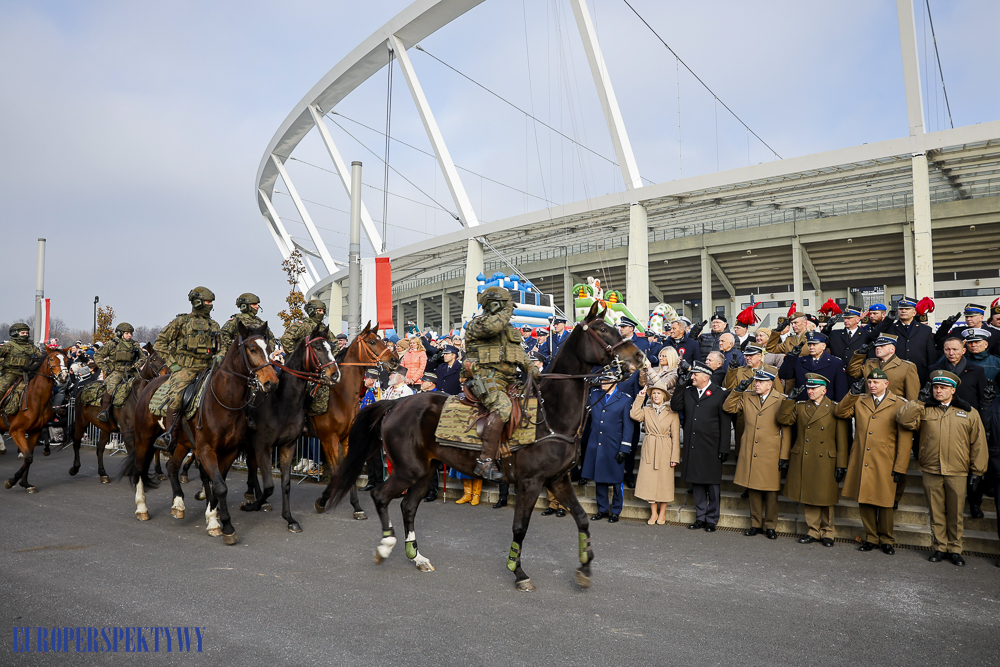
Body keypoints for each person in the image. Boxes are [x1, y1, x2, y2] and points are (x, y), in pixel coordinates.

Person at [897, 370, 988, 566]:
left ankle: (955, 549)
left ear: (953, 390)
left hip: (957, 470)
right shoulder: (925, 409)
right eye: (936, 387)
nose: (938, 391)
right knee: (936, 512)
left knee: (955, 513)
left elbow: (978, 443)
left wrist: (978, 471)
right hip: (931, 468)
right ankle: (939, 547)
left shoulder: (969, 412)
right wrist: (918, 401)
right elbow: (903, 420)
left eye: (943, 388)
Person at [834, 368, 913, 554]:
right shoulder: (860, 400)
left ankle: (886, 539)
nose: (871, 385)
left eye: (876, 382)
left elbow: (905, 438)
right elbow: (840, 412)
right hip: (862, 457)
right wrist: (852, 393)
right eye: (869, 382)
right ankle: (871, 537)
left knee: (885, 502)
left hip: (886, 459)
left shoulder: (899, 403)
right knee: (865, 499)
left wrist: (901, 466)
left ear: (886, 384)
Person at [465, 286, 538, 481]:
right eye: (506, 305)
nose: (510, 309)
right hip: (486, 377)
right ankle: (485, 461)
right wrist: (507, 310)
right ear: (495, 305)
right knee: (503, 407)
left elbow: (521, 356)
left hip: (510, 380)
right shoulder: (477, 325)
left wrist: (534, 370)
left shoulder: (510, 331)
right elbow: (493, 327)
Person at [776, 374, 849, 547]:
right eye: (809, 388)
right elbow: (783, 419)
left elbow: (842, 439)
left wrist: (841, 463)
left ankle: (828, 532)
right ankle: (813, 530)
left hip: (827, 458)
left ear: (824, 390)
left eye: (814, 388)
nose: (810, 391)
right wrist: (790, 400)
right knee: (809, 494)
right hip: (805, 456)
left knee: (826, 497)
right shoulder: (801, 406)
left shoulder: (835, 408)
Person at [150, 287, 221, 452]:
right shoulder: (181, 322)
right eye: (208, 302)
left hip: (209, 368)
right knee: (176, 397)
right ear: (197, 302)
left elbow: (221, 347)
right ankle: (169, 435)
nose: (210, 305)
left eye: (211, 302)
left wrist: (221, 356)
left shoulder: (214, 324)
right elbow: (160, 344)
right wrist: (173, 365)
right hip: (186, 369)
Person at [724, 365, 789, 539]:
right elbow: (729, 407)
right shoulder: (747, 396)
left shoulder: (781, 399)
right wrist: (738, 390)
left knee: (771, 491)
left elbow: (787, 429)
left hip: (771, 451)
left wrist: (784, 455)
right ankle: (755, 524)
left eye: (760, 381)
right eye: (756, 381)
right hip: (750, 448)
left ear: (770, 383)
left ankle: (770, 525)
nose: (756, 384)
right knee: (752, 489)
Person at [671, 361, 732, 532]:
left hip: (712, 446)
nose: (692, 377)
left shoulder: (720, 394)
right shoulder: (689, 391)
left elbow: (725, 424)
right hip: (694, 445)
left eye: (695, 375)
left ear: (705, 377)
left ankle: (711, 519)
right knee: (697, 483)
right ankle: (700, 517)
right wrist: (680, 385)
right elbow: (675, 406)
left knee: (712, 485)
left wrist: (724, 448)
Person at [582, 372, 634, 523]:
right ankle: (602, 509)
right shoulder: (595, 395)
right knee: (600, 479)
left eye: (606, 380)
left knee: (617, 480)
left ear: (615, 382)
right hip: (597, 444)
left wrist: (625, 448)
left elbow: (628, 426)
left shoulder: (624, 399)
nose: (602, 382)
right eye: (602, 380)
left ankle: (616, 511)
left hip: (614, 445)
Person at [630, 379, 680, 525]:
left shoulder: (672, 413)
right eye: (654, 394)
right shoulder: (647, 410)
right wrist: (640, 397)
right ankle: (653, 513)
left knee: (665, 483)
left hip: (665, 448)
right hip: (650, 447)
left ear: (664, 396)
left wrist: (674, 457)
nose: (656, 396)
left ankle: (662, 514)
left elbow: (676, 437)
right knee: (650, 482)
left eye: (659, 393)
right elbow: (634, 415)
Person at [281, 299, 337, 414]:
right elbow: (286, 339)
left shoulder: (323, 328)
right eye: (319, 311)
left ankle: (314, 415)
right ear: (311, 311)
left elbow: (334, 344)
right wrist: (295, 357)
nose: (322, 314)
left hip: (317, 369)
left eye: (323, 311)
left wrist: (330, 360)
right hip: (298, 369)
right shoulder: (302, 325)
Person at [778, 331, 848, 401]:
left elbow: (840, 390)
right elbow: (784, 375)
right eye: (809, 345)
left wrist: (837, 408)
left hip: (826, 406)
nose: (811, 347)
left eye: (815, 344)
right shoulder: (800, 361)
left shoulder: (835, 363)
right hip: (803, 405)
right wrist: (792, 356)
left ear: (823, 346)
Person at [94, 322, 142, 422]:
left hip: (132, 371)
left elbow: (143, 357)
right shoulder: (112, 344)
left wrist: (137, 365)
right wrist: (105, 368)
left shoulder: (135, 344)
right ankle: (104, 411)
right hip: (118, 371)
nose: (130, 335)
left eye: (131, 333)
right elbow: (98, 355)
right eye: (127, 333)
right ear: (120, 334)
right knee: (111, 387)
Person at [884, 296, 937, 384]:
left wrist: (930, 376)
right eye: (901, 309)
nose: (903, 311)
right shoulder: (890, 329)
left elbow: (931, 355)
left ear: (914, 312)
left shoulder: (925, 330)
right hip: (896, 373)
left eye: (907, 309)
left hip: (920, 373)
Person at [928, 336, 986, 410]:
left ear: (964, 351)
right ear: (943, 350)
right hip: (940, 414)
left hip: (968, 414)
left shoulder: (977, 371)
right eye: (947, 349)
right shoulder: (933, 370)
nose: (951, 353)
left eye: (955, 349)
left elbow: (982, 398)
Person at [0, 323, 43, 408]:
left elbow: (41, 360)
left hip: (27, 374)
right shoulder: (8, 346)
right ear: (15, 333)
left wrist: (35, 360)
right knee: (2, 389)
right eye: (23, 333)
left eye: (27, 333)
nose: (25, 335)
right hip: (11, 373)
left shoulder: (32, 347)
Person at [826, 307, 874, 381]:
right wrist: (827, 328)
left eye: (849, 318)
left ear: (858, 319)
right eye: (845, 318)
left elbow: (870, 358)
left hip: (857, 377)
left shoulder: (866, 335)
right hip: (837, 376)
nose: (845, 320)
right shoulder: (835, 334)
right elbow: (821, 342)